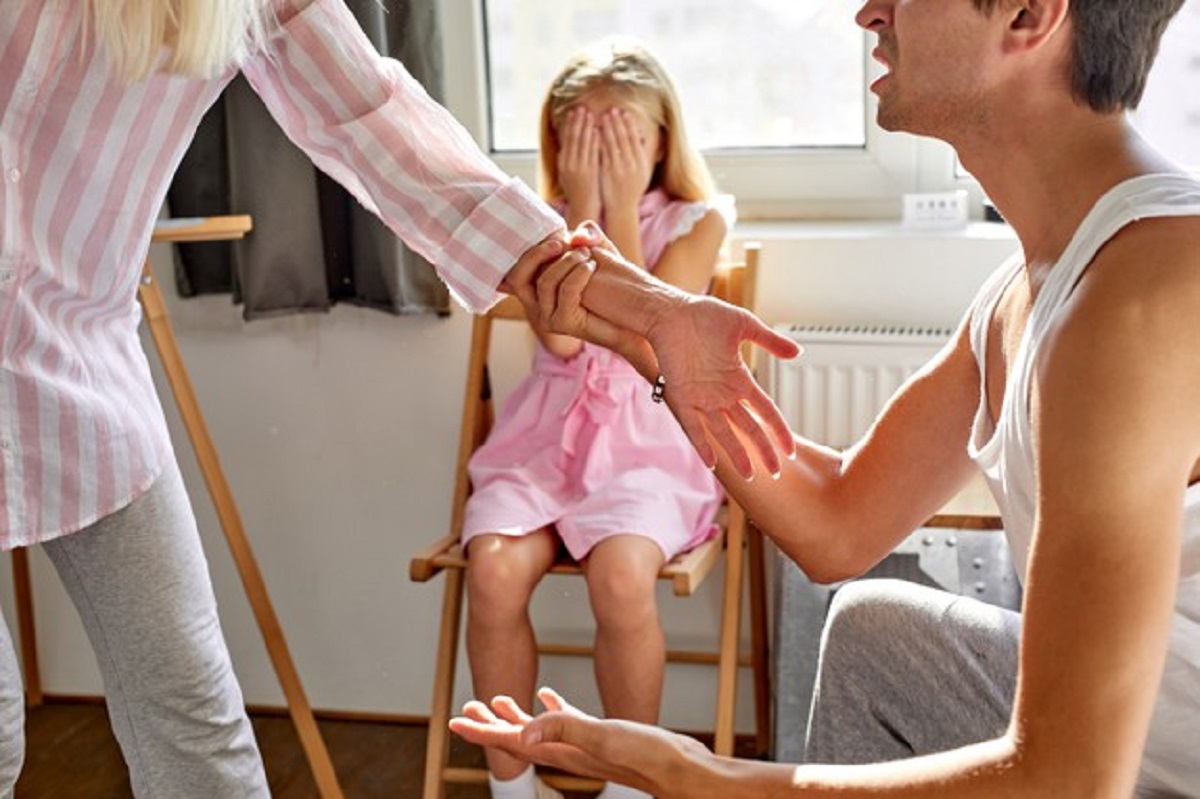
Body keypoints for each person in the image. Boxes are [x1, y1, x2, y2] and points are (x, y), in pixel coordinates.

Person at [0, 2, 798, 796]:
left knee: (195, 718)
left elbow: (376, 118)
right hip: (544, 463)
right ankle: (510, 781)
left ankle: (627, 779)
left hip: (82, 371)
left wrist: (653, 308)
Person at [450, 0, 1200, 797]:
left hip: (1130, 764)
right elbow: (840, 518)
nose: (868, 13)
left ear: (1026, 14)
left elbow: (1070, 781)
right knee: (871, 625)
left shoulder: (1147, 289)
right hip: (1147, 734)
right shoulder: (1026, 291)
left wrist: (693, 771)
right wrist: (649, 331)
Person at [461, 38, 733, 799]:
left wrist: (614, 206)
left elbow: (647, 327)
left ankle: (629, 783)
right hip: (543, 446)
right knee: (493, 568)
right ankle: (511, 782)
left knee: (619, 576)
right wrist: (581, 205)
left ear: (662, 141)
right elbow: (559, 331)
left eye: (624, 138)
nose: (607, 152)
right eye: (586, 137)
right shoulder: (538, 221)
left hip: (647, 446)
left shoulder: (697, 222)